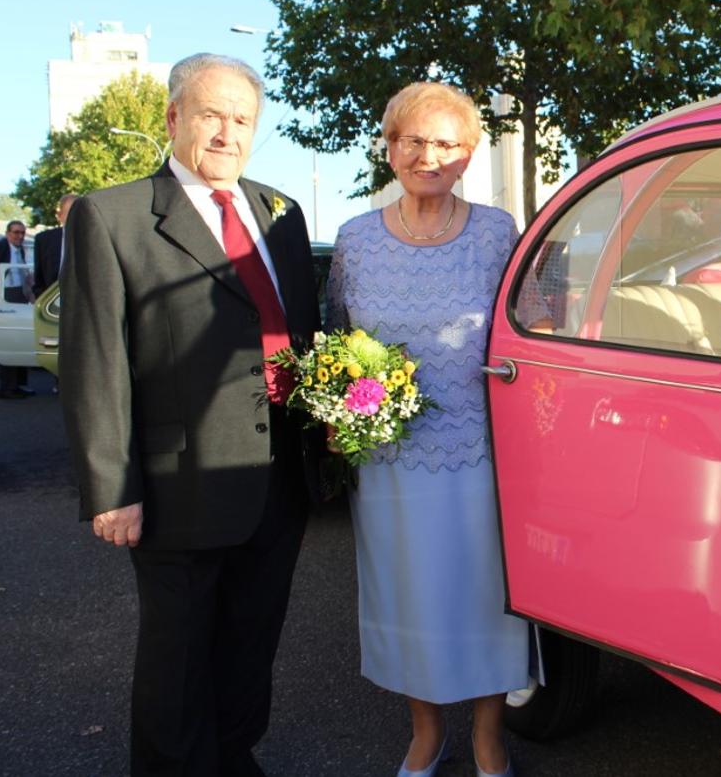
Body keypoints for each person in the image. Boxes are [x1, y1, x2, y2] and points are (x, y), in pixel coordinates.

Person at [60, 53, 322, 776]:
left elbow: (301, 334)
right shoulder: (110, 215)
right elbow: (94, 362)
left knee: (250, 643)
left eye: (241, 120)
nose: (226, 132)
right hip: (178, 484)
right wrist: (112, 486)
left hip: (278, 477)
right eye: (210, 114)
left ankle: (232, 757)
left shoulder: (283, 214)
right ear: (174, 118)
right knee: (177, 658)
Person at [326, 82, 536, 777]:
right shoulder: (355, 240)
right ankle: (424, 731)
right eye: (413, 140)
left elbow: (530, 331)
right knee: (409, 593)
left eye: (447, 142)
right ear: (388, 148)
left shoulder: (497, 231)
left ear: (469, 154)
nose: (429, 155)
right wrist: (339, 411)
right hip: (390, 456)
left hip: (481, 450)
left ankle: (486, 737)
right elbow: (334, 339)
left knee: (483, 597)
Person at [0, 220, 34, 398]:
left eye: (22, 233)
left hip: (19, 294)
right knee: (10, 340)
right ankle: (8, 387)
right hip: (6, 295)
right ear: (7, 233)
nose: (19, 236)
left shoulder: (20, 250)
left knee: (21, 338)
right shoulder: (1, 247)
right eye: (16, 233)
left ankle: (20, 384)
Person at [33, 192, 80, 298]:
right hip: (51, 301)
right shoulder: (43, 240)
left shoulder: (92, 238)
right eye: (69, 213)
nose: (74, 218)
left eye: (78, 213)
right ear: (60, 216)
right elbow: (39, 276)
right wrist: (41, 298)